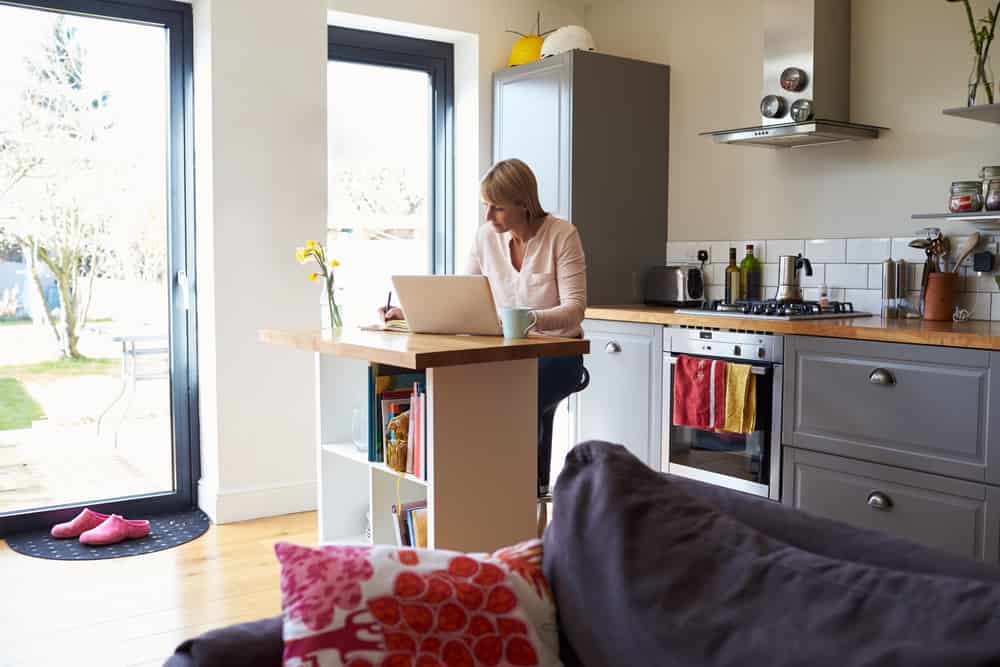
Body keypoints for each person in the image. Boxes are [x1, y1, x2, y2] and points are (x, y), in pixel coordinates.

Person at [379, 158, 587, 496]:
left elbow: (575, 311)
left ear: (524, 204)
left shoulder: (562, 236)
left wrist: (527, 319)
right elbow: (463, 297)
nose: (488, 217)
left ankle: (511, 494)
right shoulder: (485, 237)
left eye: (497, 208)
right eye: (486, 207)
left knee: (507, 401)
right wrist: (405, 310)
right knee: (464, 393)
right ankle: (477, 494)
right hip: (504, 354)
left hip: (556, 355)